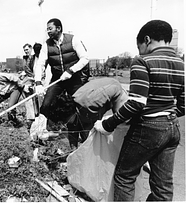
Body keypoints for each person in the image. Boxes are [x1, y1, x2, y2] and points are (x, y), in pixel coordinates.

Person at [94, 20, 185, 201]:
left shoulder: (143, 61)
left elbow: (137, 103)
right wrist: (169, 114)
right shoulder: (181, 64)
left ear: (147, 39)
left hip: (148, 129)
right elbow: (183, 104)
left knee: (124, 177)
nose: (139, 51)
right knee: (163, 187)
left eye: (139, 46)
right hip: (172, 128)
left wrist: (108, 124)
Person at [34, 18, 90, 147]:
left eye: (50, 28)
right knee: (46, 104)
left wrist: (71, 70)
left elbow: (85, 58)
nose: (48, 31)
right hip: (58, 79)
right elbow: (40, 65)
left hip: (73, 78)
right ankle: (40, 134)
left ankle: (85, 137)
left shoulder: (73, 40)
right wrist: (38, 83)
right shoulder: (46, 45)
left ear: (58, 28)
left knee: (80, 106)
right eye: (47, 29)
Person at [48, 77, 128, 149]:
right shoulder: (72, 115)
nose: (64, 125)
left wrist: (116, 117)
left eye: (64, 122)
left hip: (115, 90)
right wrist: (73, 152)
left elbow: (114, 88)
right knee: (87, 135)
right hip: (93, 106)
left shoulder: (90, 100)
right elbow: (72, 133)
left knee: (121, 127)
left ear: (69, 113)